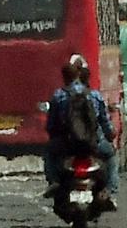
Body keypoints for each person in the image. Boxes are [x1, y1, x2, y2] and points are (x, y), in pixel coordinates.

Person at [78, 63, 120, 210]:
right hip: (94, 144)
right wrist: (111, 134)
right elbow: (104, 121)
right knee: (112, 159)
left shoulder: (62, 95)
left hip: (70, 145)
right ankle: (109, 191)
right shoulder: (95, 96)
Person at [42, 62, 85, 191]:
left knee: (49, 153)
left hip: (65, 142)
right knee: (110, 155)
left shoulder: (58, 95)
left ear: (64, 77)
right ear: (77, 75)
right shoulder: (91, 93)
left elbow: (50, 124)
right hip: (89, 142)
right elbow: (102, 119)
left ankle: (53, 181)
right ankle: (110, 188)